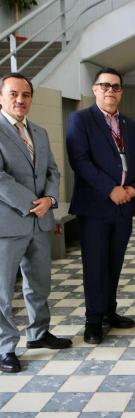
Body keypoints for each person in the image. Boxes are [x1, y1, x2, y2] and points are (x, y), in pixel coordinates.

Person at [66, 67, 135, 344]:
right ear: (95, 89)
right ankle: (93, 320)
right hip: (95, 207)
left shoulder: (129, 125)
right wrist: (110, 189)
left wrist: (134, 188)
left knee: (114, 262)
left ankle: (109, 311)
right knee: (95, 265)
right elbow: (80, 161)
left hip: (124, 207)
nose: (110, 91)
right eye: (105, 86)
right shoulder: (80, 119)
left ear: (121, 92)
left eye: (116, 86)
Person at [0, 73, 72, 373]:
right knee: (3, 291)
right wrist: (35, 204)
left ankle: (38, 333)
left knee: (39, 283)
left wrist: (51, 200)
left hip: (40, 223)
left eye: (26, 94)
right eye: (14, 94)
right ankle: (5, 348)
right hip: (8, 224)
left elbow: (53, 171)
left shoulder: (39, 132)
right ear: (1, 97)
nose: (21, 100)